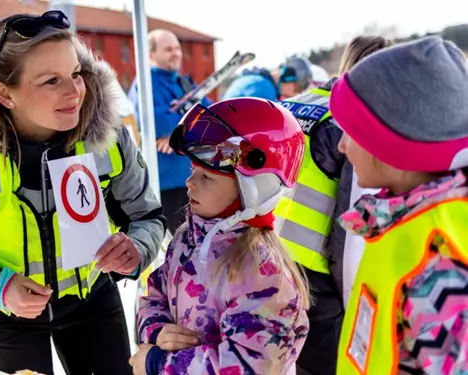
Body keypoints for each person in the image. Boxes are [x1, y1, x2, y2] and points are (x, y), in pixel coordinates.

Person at [0, 10, 164, 375]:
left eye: (76, 74)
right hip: (2, 313)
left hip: (92, 302)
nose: (74, 92)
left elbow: (148, 217)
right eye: (50, 81)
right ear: (4, 93)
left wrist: (137, 248)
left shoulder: (107, 137)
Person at [130, 97, 310, 375]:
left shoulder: (260, 270)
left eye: (207, 177)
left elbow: (250, 366)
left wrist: (158, 365)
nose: (190, 182)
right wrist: (157, 330)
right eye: (193, 170)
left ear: (253, 187)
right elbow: (155, 292)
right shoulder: (187, 238)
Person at [332, 36, 468, 374]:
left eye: (352, 132)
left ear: (391, 144)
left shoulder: (439, 268)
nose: (341, 146)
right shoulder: (398, 220)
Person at [276, 35, 392, 375]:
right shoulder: (353, 122)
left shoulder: (292, 105)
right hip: (315, 279)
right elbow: (351, 225)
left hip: (265, 257)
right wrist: (350, 297)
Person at [129, 29, 212, 235]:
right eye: (168, 49)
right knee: (178, 244)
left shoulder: (185, 83)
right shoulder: (146, 84)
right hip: (166, 184)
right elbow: (158, 122)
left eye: (177, 48)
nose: (175, 53)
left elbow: (211, 117)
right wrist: (178, 128)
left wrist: (178, 137)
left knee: (200, 240)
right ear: (151, 55)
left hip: (195, 176)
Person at [222, 55, 312, 101]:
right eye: (298, 88)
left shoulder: (257, 80)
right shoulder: (264, 88)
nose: (298, 94)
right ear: (287, 76)